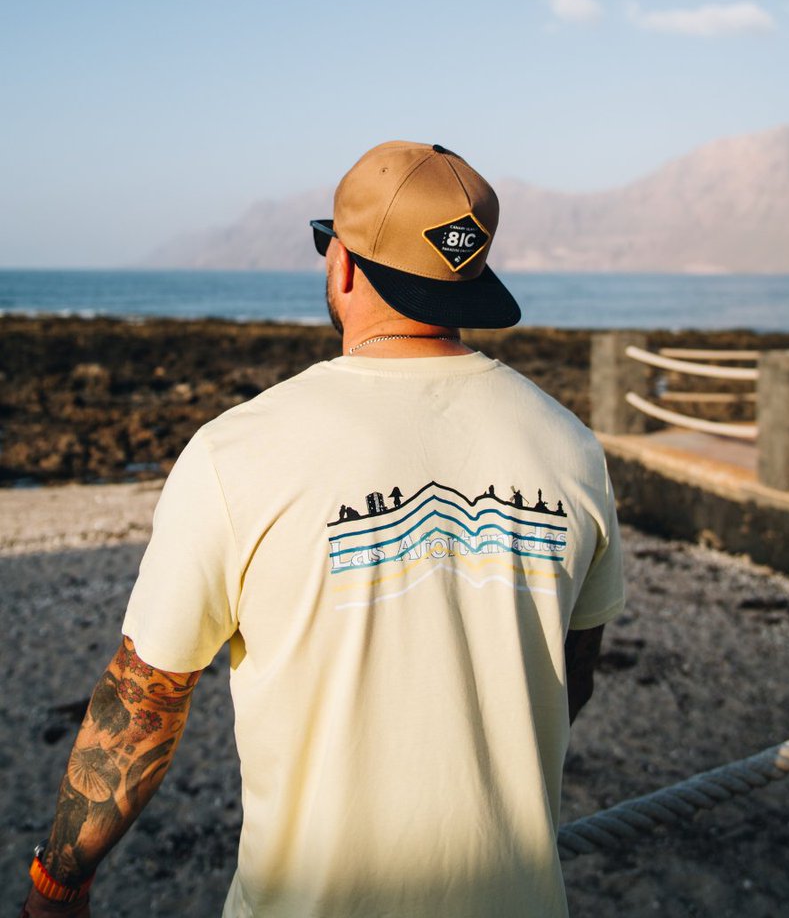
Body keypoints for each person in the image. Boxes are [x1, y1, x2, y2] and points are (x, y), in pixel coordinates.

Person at [22, 140, 624, 918]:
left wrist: (59, 880)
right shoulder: (570, 447)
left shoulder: (237, 451)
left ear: (341, 265)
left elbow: (144, 701)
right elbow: (570, 676)